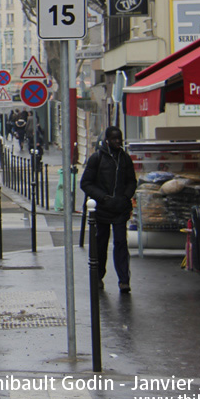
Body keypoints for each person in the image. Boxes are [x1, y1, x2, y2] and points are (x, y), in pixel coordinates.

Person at [80, 126, 137, 293]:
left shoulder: (125, 159)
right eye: (114, 139)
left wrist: (125, 197)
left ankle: (124, 280)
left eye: (119, 138)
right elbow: (86, 183)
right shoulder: (96, 158)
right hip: (102, 209)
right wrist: (103, 198)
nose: (117, 141)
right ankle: (98, 277)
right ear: (107, 140)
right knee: (100, 243)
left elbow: (132, 181)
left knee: (120, 243)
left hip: (120, 209)